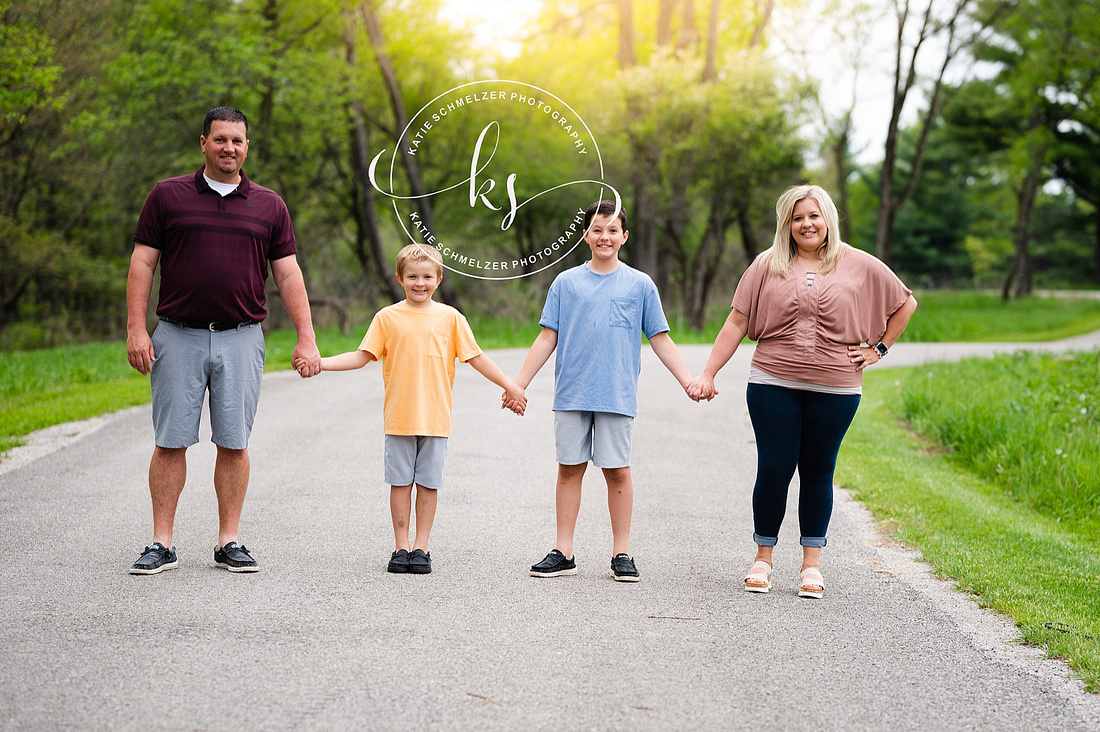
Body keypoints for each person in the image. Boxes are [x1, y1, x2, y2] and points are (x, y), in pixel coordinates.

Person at [686, 184, 917, 598]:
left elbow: (905, 304)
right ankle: (763, 558)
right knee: (774, 469)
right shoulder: (767, 265)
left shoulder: (860, 264)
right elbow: (737, 322)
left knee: (817, 471)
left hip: (838, 387)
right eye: (797, 218)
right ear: (786, 225)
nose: (806, 224)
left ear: (827, 218)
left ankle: (812, 565)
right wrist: (708, 373)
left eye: (813, 215)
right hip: (773, 381)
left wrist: (879, 348)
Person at [126, 106, 322, 576]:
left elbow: (288, 272)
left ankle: (228, 541)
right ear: (203, 143)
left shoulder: (270, 204)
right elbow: (142, 263)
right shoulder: (167, 196)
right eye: (220, 140)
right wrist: (136, 329)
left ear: (247, 146)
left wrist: (306, 337)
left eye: (237, 140)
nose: (228, 148)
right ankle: (161, 543)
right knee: (170, 442)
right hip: (177, 335)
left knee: (234, 443)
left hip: (241, 338)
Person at [306, 243, 526, 575]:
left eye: (426, 276)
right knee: (399, 483)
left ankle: (421, 547)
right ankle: (400, 547)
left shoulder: (450, 318)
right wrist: (320, 363)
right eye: (412, 277)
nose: (419, 283)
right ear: (399, 278)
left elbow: (476, 357)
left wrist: (510, 385)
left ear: (438, 279)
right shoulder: (387, 318)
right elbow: (361, 356)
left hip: (436, 418)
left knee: (428, 483)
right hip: (399, 417)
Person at [514, 199, 694, 582]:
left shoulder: (640, 284)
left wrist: (688, 380)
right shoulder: (567, 283)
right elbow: (548, 337)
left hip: (616, 394)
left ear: (624, 236)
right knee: (569, 470)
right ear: (585, 236)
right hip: (572, 394)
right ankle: (563, 551)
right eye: (597, 229)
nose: (605, 236)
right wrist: (519, 383)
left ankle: (622, 552)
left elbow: (660, 339)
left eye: (612, 230)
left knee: (617, 472)